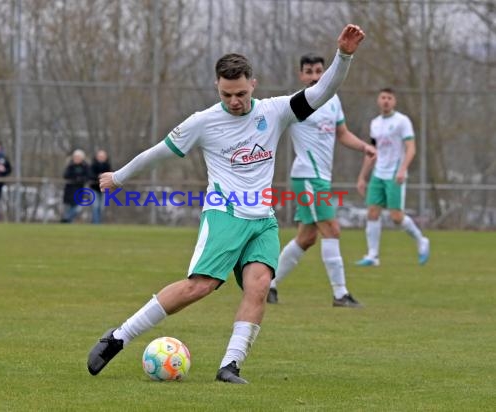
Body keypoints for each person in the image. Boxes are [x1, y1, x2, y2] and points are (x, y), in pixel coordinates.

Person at [89, 25, 365, 384]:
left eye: (239, 93)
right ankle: (118, 337)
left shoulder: (276, 111)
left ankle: (229, 366)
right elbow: (158, 153)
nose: (234, 101)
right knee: (198, 287)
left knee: (260, 286)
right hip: (225, 215)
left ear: (253, 83)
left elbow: (323, 90)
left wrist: (344, 55)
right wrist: (119, 177)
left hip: (262, 219)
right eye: (226, 94)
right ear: (217, 88)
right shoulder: (203, 122)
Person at [267, 54, 376, 307]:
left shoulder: (333, 99)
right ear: (301, 75)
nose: (314, 76)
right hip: (307, 176)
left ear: (325, 72)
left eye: (318, 71)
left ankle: (269, 285)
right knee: (332, 229)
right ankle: (340, 294)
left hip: (320, 178)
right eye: (308, 71)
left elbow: (342, 133)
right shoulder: (297, 103)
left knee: (307, 238)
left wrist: (364, 148)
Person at [355, 88, 430, 266]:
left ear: (394, 101)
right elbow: (372, 151)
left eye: (389, 98)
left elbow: (411, 148)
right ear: (378, 101)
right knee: (372, 212)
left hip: (395, 173)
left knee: (396, 217)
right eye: (383, 97)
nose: (386, 101)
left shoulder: (402, 121)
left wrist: (403, 169)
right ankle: (373, 256)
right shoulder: (375, 123)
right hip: (378, 173)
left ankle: (421, 240)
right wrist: (362, 177)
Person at [61, 149, 90, 223]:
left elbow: (88, 176)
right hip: (69, 190)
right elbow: (65, 175)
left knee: (78, 208)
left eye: (79, 157)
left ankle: (66, 218)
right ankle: (68, 222)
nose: (77, 159)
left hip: (80, 189)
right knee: (69, 206)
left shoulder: (85, 166)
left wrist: (80, 179)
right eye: (76, 157)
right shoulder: (70, 165)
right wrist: (75, 177)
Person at [89, 149, 112, 224]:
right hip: (94, 188)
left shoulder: (108, 166)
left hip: (105, 190)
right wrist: (98, 177)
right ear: (97, 157)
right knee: (95, 206)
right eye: (100, 156)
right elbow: (90, 176)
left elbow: (111, 176)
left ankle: (99, 222)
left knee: (102, 207)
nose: (101, 158)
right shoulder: (93, 165)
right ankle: (96, 223)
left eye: (103, 156)